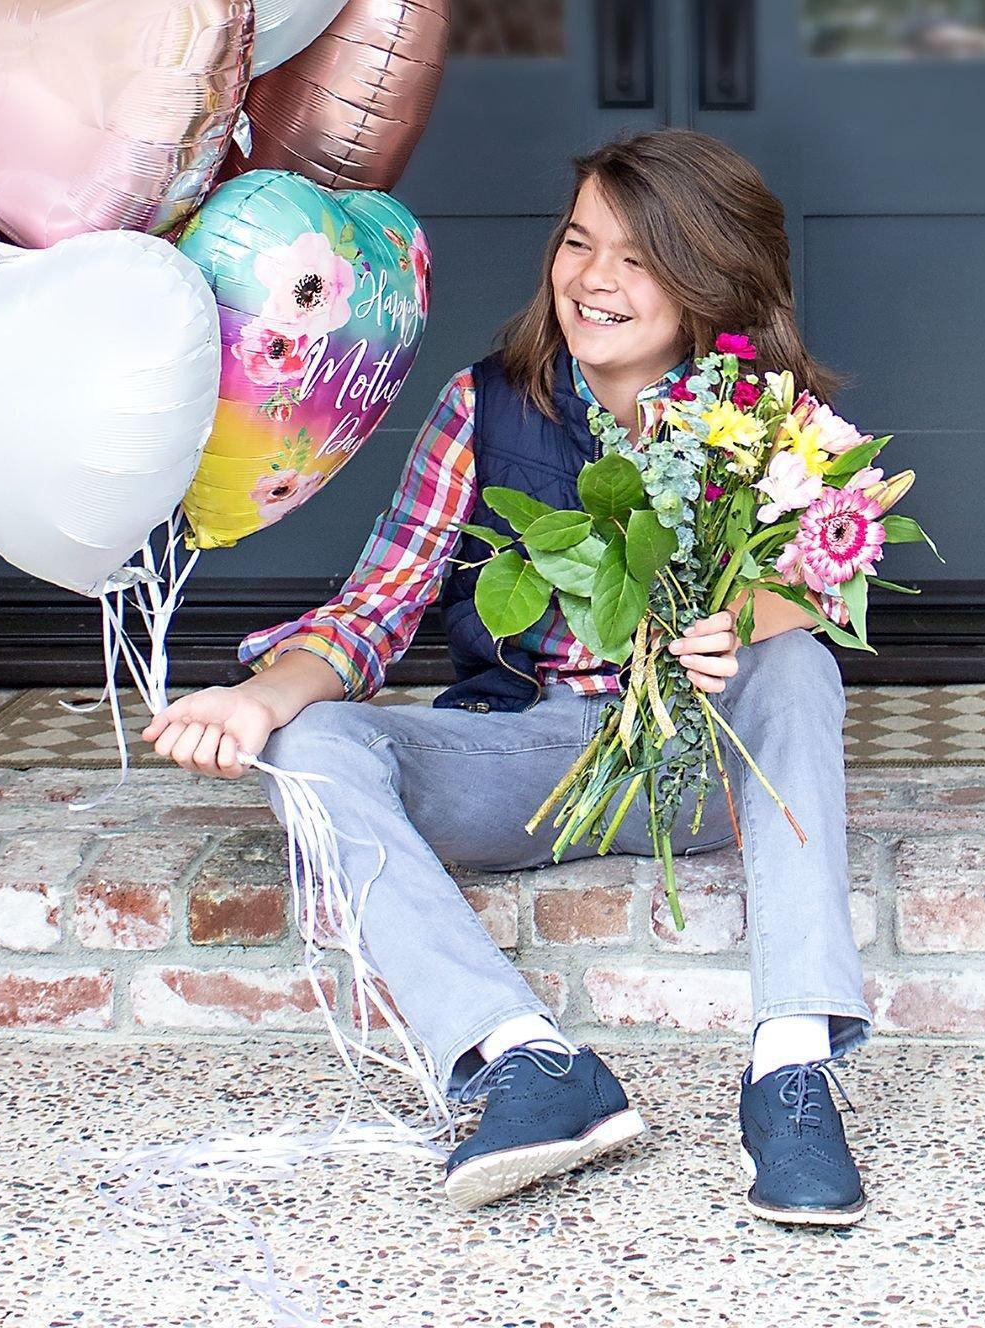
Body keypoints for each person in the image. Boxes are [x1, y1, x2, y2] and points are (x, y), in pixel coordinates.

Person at [144, 129, 872, 1222]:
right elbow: (376, 604)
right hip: (521, 755)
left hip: (689, 759)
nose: (592, 278)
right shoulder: (481, 406)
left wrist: (736, 618)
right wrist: (257, 698)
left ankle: (791, 1073)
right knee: (315, 742)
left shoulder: (766, 423)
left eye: (635, 256)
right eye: (578, 242)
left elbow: (826, 580)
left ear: (706, 270)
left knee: (798, 664)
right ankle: (521, 1060)